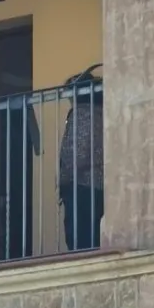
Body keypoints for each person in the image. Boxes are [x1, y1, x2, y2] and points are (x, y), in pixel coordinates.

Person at [58, 64, 103, 252]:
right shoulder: (102, 113)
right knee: (92, 236)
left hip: (82, 185)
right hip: (97, 186)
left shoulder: (83, 113)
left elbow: (76, 153)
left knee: (78, 239)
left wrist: (64, 179)